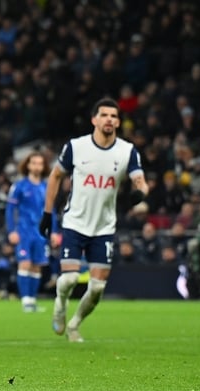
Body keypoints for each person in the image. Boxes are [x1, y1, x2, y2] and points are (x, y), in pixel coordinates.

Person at [39, 97, 148, 342]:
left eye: (113, 116)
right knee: (69, 278)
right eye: (104, 115)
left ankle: (75, 324)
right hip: (75, 222)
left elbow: (141, 181)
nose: (109, 119)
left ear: (118, 122)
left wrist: (140, 193)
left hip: (104, 227)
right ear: (94, 119)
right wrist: (47, 213)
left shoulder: (127, 151)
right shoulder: (76, 147)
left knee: (97, 288)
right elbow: (55, 176)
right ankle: (60, 305)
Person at [5, 150, 60, 312]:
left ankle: (32, 300)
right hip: (24, 231)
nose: (37, 166)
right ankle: (25, 301)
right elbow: (10, 210)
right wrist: (11, 230)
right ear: (27, 165)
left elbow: (52, 211)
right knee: (25, 263)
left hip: (41, 233)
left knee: (37, 266)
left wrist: (54, 231)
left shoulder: (47, 187)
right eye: (33, 163)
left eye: (40, 163)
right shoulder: (19, 186)